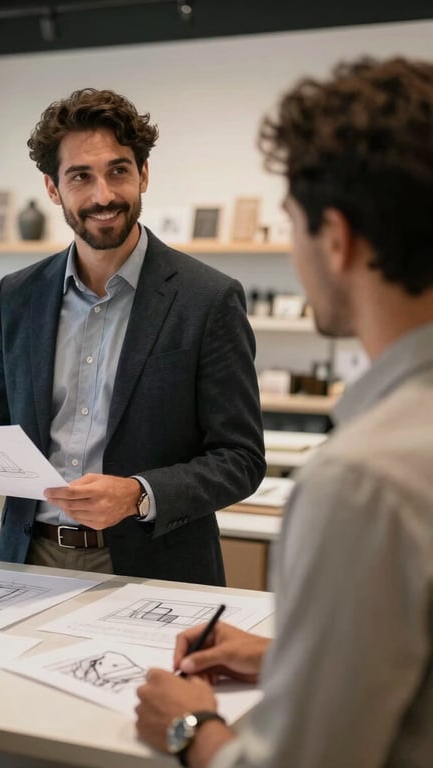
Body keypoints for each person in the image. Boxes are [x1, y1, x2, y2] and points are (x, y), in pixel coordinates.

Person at [135, 56, 433, 767]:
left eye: (293, 224)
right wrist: (291, 657)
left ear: (336, 238)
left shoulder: (363, 481)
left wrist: (189, 727)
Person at [0, 88, 265, 582]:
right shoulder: (17, 296)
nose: (103, 196)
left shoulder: (208, 298)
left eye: (118, 171)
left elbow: (241, 458)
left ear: (143, 174)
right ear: (53, 188)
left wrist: (138, 494)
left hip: (156, 566)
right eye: (80, 176)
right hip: (27, 559)